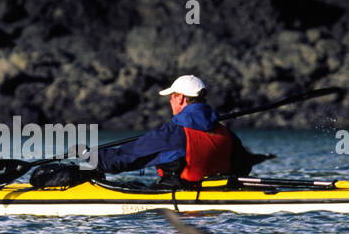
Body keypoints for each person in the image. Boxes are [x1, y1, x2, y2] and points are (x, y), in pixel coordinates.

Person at [96, 75, 255, 185]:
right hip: (217, 204)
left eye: (172, 96)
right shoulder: (227, 134)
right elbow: (244, 166)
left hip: (179, 202)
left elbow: (121, 160)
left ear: (181, 98)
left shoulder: (171, 134)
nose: (170, 100)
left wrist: (87, 157)